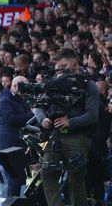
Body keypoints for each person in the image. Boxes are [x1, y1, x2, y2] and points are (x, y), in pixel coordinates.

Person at [37, 49, 99, 206]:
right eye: (58, 66)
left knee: (76, 178)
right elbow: (38, 105)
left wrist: (70, 122)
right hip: (56, 135)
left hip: (78, 137)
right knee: (47, 171)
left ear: (74, 63)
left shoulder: (89, 85)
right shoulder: (55, 82)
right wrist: (43, 118)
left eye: (63, 65)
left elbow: (92, 116)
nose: (60, 70)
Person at [0, 76, 33, 196]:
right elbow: (11, 119)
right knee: (15, 178)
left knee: (19, 178)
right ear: (15, 86)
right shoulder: (5, 99)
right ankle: (11, 202)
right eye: (24, 87)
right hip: (10, 145)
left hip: (19, 143)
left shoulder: (18, 98)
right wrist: (31, 115)